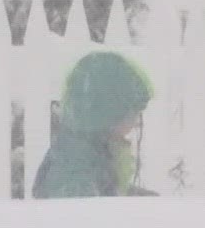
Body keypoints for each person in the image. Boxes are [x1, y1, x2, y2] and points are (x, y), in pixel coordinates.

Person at [32, 51, 158, 199]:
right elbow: (82, 213)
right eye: (131, 113)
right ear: (108, 113)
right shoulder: (75, 164)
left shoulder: (97, 150)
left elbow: (107, 189)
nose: (136, 121)